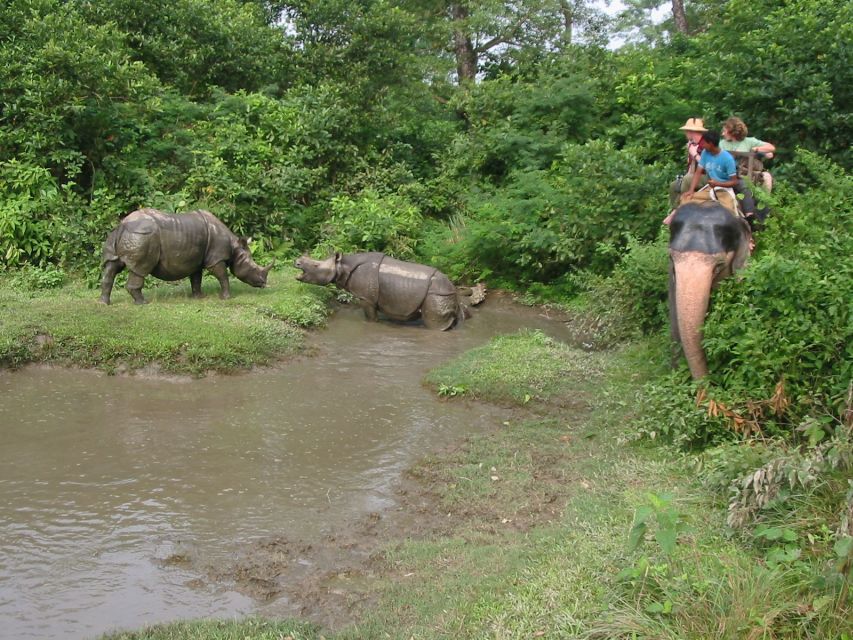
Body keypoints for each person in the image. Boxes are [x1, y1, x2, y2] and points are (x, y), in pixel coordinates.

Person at [680, 130, 739, 215]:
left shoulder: (727, 159)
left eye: (704, 143)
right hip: (710, 189)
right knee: (685, 199)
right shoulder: (705, 153)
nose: (702, 146)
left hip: (724, 190)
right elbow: (698, 172)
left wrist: (718, 184)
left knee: (729, 213)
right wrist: (691, 190)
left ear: (711, 144)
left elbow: (734, 182)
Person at [668, 117, 708, 210]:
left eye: (686, 131)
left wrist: (695, 154)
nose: (685, 133)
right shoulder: (692, 144)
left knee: (687, 180)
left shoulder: (706, 144)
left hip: (708, 176)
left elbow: (709, 165)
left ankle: (682, 209)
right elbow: (691, 167)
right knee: (674, 185)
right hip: (696, 175)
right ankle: (674, 209)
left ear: (692, 132)